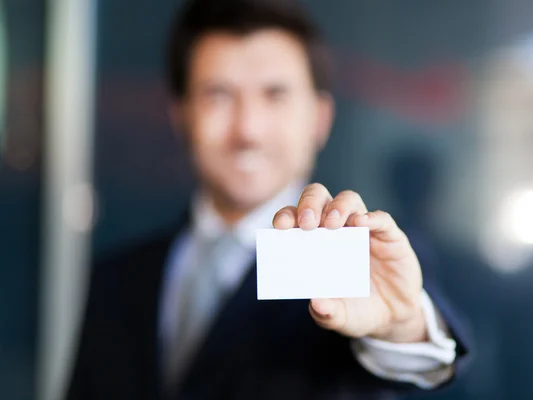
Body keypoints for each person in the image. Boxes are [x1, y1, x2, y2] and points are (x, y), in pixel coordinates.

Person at [66, 0, 469, 399]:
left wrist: (402, 326)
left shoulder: (365, 261)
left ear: (320, 118)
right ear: (180, 115)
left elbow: (418, 355)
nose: (248, 130)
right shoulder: (114, 279)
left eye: (275, 95)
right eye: (218, 95)